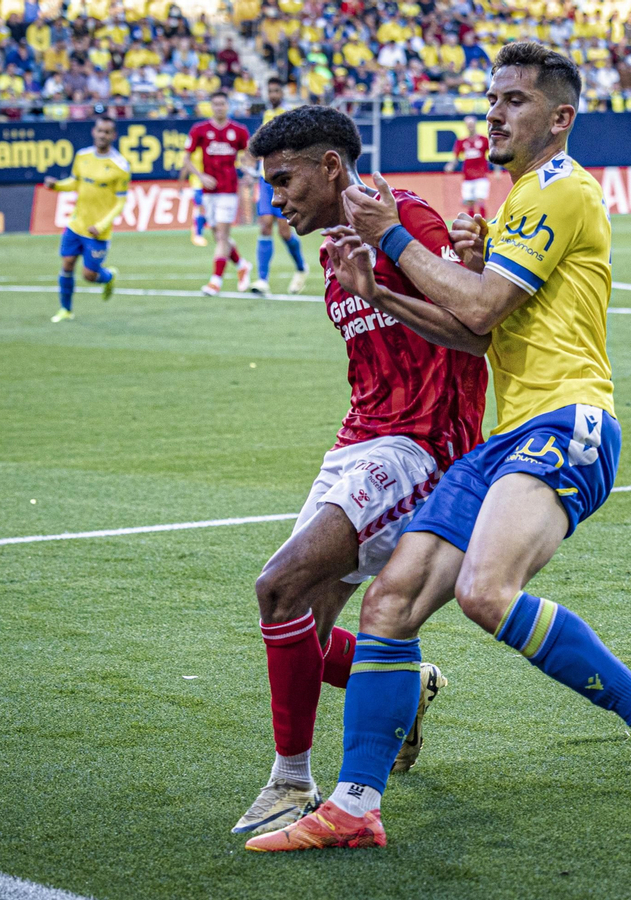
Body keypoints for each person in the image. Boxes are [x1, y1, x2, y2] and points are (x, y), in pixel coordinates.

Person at [247, 41, 631, 853]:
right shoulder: (519, 202)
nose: (495, 113)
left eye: (516, 101)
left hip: (569, 424)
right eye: (492, 99)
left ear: (560, 118)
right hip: (505, 439)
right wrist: (378, 291)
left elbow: (487, 303)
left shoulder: (563, 190)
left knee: (484, 591)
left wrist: (395, 240)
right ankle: (355, 807)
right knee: (390, 606)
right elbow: (472, 332)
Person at [230, 104, 490, 837]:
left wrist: (458, 268)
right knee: (299, 625)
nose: (275, 198)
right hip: (358, 441)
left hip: (419, 448)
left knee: (278, 585)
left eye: (284, 180)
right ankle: (406, 687)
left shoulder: (410, 221)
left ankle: (290, 783)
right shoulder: (330, 246)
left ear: (331, 167)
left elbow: (476, 334)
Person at [42, 115, 129, 322]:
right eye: (100, 131)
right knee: (67, 263)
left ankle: (108, 277)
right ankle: (66, 309)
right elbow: (75, 182)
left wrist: (101, 224)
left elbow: (120, 202)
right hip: (76, 224)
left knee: (89, 276)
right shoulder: (82, 156)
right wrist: (57, 186)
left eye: (107, 132)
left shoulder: (120, 166)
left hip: (98, 231)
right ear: (94, 132)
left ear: (113, 136)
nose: (102, 135)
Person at [188, 91, 253, 294]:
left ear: (228, 106)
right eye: (215, 104)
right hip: (209, 191)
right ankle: (242, 265)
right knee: (218, 236)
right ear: (211, 106)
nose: (219, 107)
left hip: (228, 189)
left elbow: (248, 154)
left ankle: (216, 281)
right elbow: (186, 159)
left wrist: (248, 171)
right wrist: (200, 175)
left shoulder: (238, 131)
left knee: (223, 236)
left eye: (222, 104)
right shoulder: (200, 130)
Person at [251, 77, 310, 296]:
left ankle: (301, 268)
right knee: (265, 224)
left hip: (284, 179)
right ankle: (262, 279)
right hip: (265, 178)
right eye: (270, 91)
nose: (273, 94)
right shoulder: (266, 116)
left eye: (276, 90)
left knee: (285, 231)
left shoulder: (289, 117)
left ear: (282, 93)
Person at [445, 115, 493, 219]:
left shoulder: (483, 140)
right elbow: (456, 157)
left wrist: (497, 170)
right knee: (470, 203)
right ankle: (472, 224)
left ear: (475, 125)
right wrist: (451, 165)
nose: (470, 127)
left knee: (480, 200)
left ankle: (483, 222)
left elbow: (493, 154)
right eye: (468, 125)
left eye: (472, 125)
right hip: (467, 177)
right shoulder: (462, 142)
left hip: (481, 175)